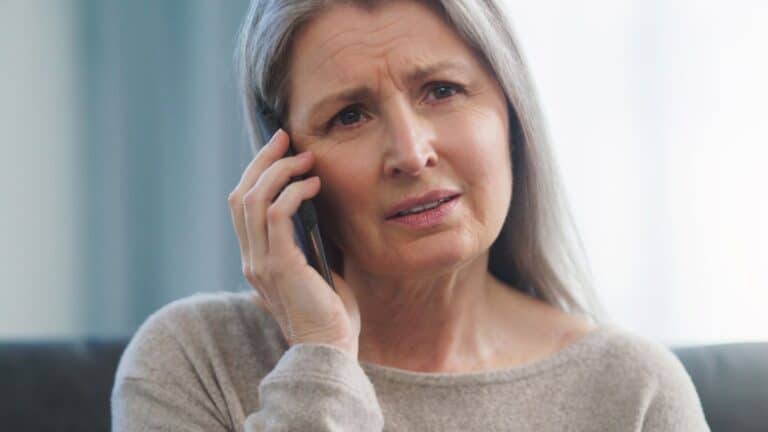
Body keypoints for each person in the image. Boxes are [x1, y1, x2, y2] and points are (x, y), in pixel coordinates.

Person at [111, 0, 710, 430]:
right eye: (350, 115)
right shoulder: (193, 358)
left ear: (511, 117)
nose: (411, 152)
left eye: (442, 90)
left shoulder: (633, 389)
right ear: (283, 166)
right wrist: (321, 356)